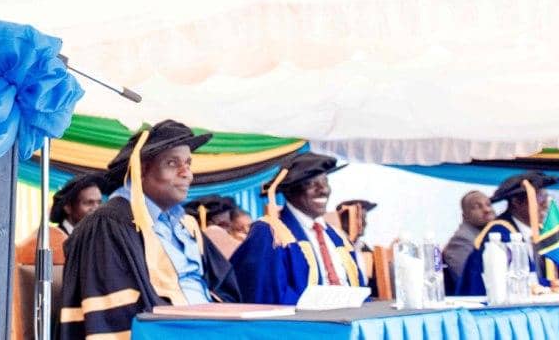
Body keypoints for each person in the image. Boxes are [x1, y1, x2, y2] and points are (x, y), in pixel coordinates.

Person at [58, 120, 240, 339]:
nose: (187, 174)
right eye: (172, 163)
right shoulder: (108, 225)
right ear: (142, 169)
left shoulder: (185, 224)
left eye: (188, 163)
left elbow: (225, 289)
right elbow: (120, 319)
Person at [230, 152, 366, 305]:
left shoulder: (337, 236)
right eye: (311, 183)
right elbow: (265, 296)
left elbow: (359, 289)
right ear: (289, 190)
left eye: (325, 181)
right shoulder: (270, 234)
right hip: (303, 319)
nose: (323, 190)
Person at [457, 171, 559, 295]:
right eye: (539, 197)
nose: (545, 204)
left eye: (546, 197)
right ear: (516, 202)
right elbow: (512, 284)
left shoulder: (543, 232)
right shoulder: (499, 234)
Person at [442, 190, 495, 290]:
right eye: (477, 207)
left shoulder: (495, 233)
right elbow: (470, 281)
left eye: (488, 205)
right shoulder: (460, 241)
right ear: (464, 216)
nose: (487, 210)